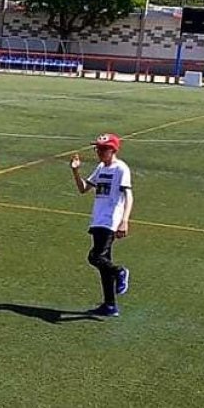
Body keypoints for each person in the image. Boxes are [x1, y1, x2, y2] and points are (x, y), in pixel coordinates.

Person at [69, 133, 134, 318]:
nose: (98, 152)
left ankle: (120, 272)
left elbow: (128, 196)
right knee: (104, 262)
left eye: (102, 149)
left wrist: (124, 220)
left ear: (112, 150)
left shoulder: (121, 169)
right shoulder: (100, 168)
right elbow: (83, 189)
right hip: (98, 220)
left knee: (94, 257)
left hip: (110, 220)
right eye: (97, 148)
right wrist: (75, 171)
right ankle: (110, 305)